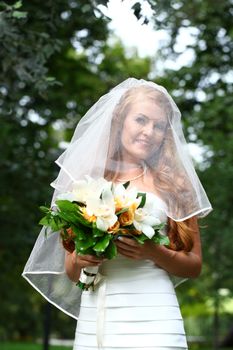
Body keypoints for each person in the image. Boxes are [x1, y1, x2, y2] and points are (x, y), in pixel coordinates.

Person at [22, 78, 212, 350]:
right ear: (120, 121)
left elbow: (194, 265)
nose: (149, 131)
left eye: (158, 126)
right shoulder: (86, 185)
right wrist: (81, 257)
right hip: (97, 312)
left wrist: (154, 252)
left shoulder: (174, 185)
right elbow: (72, 271)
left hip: (154, 315)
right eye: (141, 120)